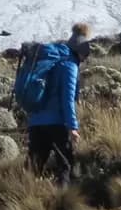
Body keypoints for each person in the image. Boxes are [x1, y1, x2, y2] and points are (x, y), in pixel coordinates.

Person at [26, 27, 92, 183]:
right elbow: (67, 98)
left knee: (33, 168)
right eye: (85, 56)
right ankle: (63, 202)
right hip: (57, 124)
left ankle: (20, 200)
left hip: (36, 121)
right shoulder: (69, 65)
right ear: (80, 51)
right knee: (65, 166)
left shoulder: (53, 59)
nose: (84, 60)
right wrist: (72, 127)